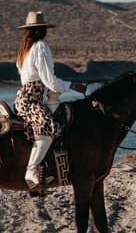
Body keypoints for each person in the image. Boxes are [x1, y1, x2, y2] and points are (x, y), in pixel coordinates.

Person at [13, 11, 86, 188]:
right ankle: (31, 171)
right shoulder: (40, 47)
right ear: (42, 30)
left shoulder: (25, 50)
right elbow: (50, 81)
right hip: (32, 99)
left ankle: (45, 169)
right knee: (49, 126)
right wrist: (72, 86)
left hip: (25, 97)